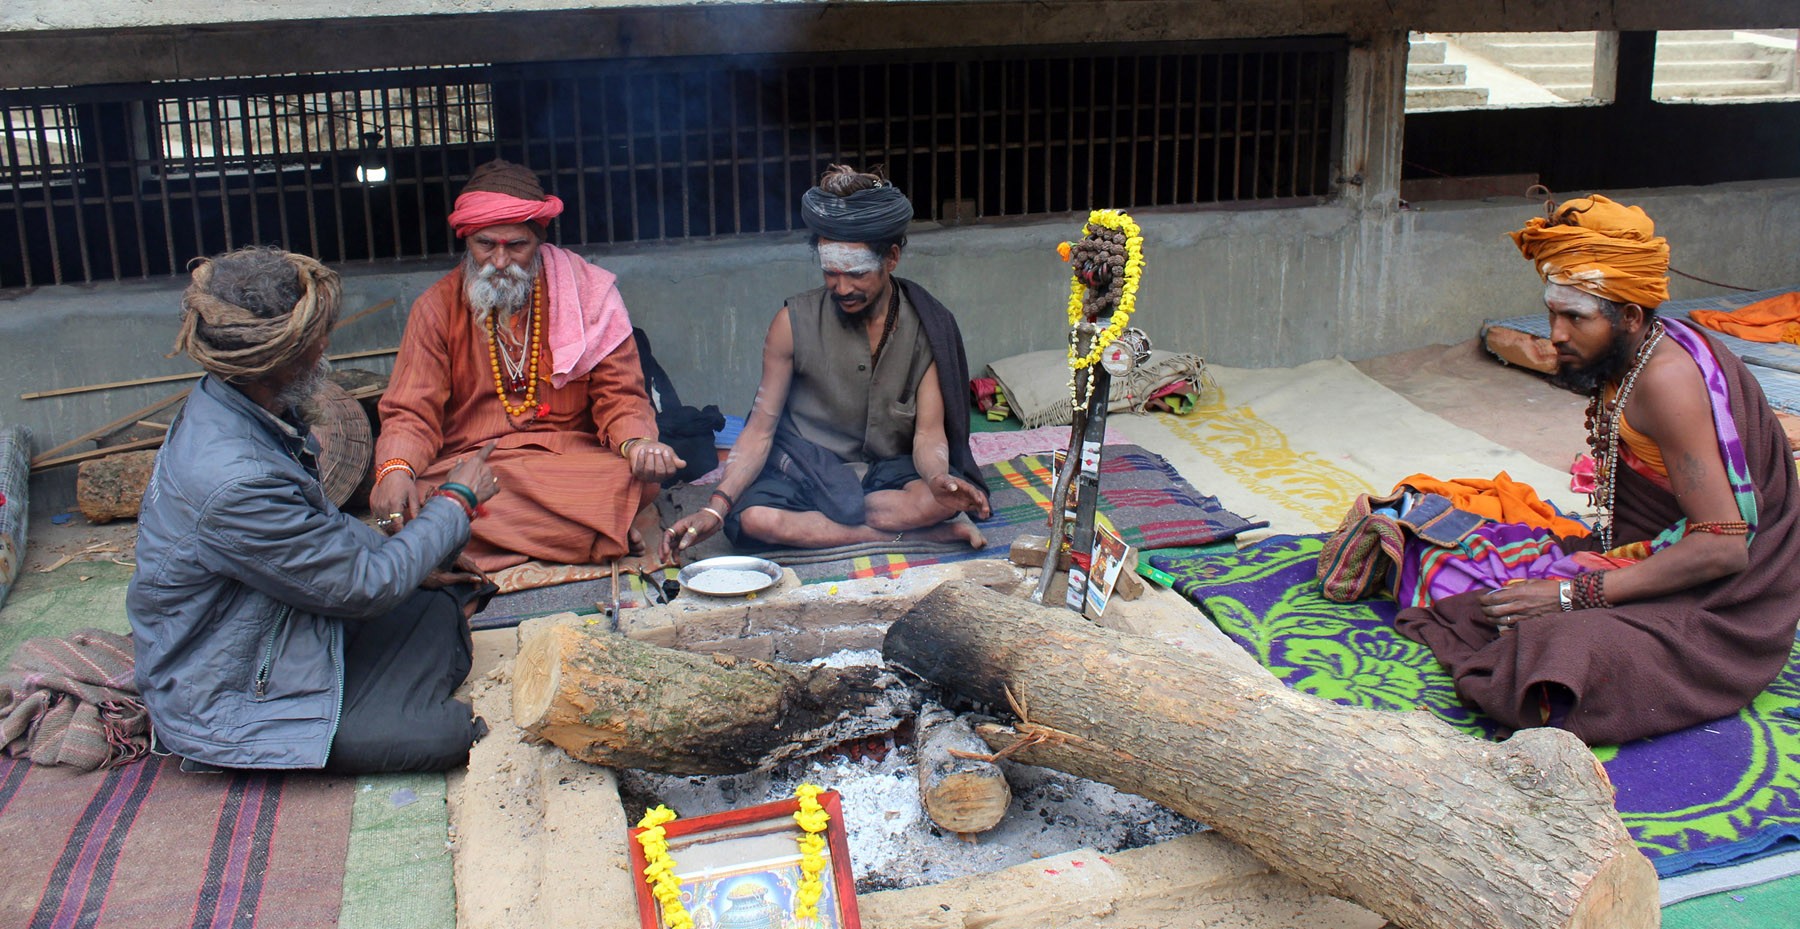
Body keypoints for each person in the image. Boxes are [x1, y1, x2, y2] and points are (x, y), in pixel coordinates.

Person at [1393, 195, 1800, 745]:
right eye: (1553, 313)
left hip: (1730, 604)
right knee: (1469, 589)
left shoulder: (1668, 382)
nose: (1556, 334)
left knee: (1552, 654)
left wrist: (1573, 596)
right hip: (1656, 553)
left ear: (1630, 316)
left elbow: (1723, 547)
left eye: (1575, 318)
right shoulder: (1625, 356)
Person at [128, 247, 502, 773]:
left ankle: (390, 677)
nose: (327, 344)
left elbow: (318, 531)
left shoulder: (241, 405)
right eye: (315, 337)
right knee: (444, 735)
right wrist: (457, 500)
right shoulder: (236, 479)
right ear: (274, 359)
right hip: (221, 691)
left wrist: (419, 555)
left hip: (267, 625)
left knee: (436, 600)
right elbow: (364, 585)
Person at [662, 164, 989, 558]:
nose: (842, 287)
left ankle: (855, 524)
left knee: (938, 501)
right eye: (830, 273)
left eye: (856, 274)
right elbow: (760, 429)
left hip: (889, 470)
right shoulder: (791, 323)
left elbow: (929, 435)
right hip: (807, 471)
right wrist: (717, 506)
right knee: (754, 521)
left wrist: (938, 478)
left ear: (892, 258)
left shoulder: (927, 326)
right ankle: (918, 537)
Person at [373, 160, 683, 572]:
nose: (500, 261)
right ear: (467, 240)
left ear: (538, 238)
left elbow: (621, 394)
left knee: (632, 480)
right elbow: (412, 410)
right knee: (421, 495)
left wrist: (639, 444)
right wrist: (395, 469)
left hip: (568, 463)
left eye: (515, 245)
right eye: (486, 244)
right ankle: (594, 534)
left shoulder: (589, 295)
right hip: (473, 463)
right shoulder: (436, 308)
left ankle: (511, 538)